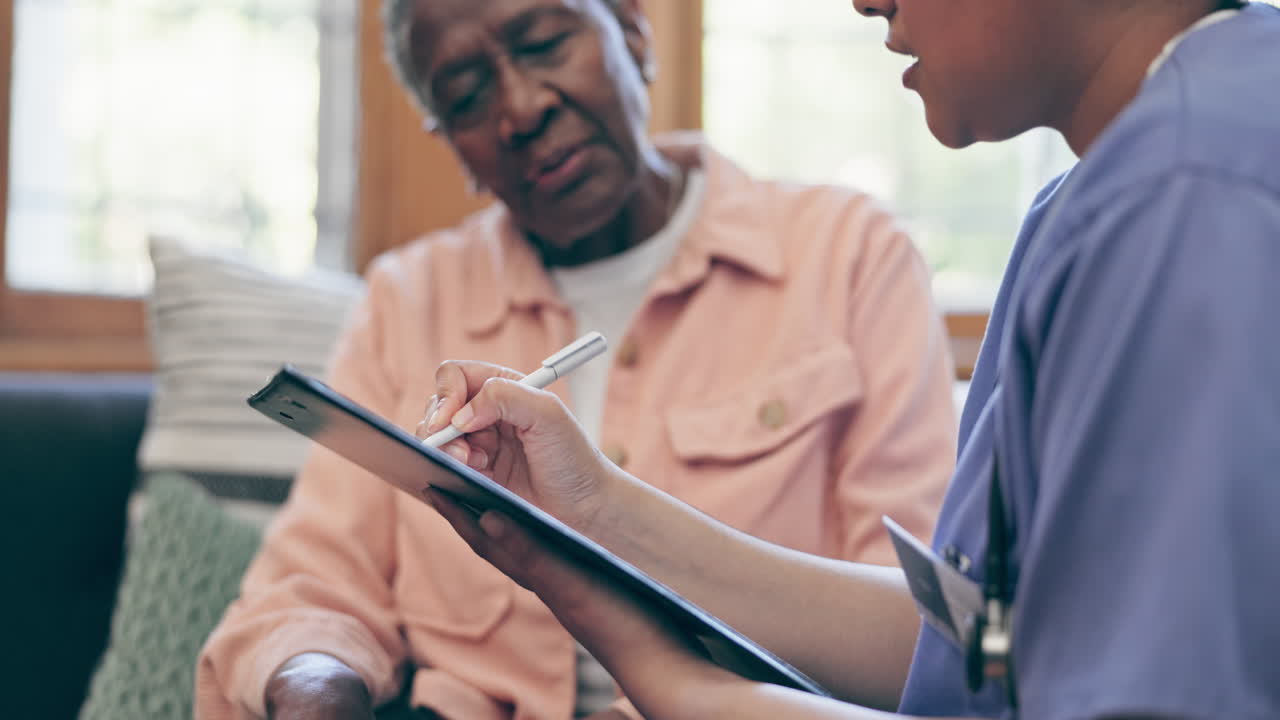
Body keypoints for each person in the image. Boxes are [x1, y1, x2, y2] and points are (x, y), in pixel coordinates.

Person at [418, 0, 1280, 719]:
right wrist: (597, 515)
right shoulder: (1108, 194)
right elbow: (989, 641)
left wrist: (676, 681)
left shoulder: (1187, 198)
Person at [194, 0, 960, 718]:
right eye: (465, 94)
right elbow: (314, 585)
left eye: (543, 45)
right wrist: (314, 687)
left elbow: (919, 624)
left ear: (631, 29)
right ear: (449, 141)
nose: (521, 109)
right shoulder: (409, 301)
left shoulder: (849, 257)